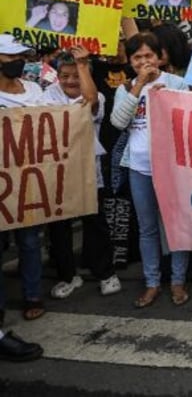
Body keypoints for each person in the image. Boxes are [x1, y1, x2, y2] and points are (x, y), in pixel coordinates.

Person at [110, 33, 191, 308]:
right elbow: (118, 122)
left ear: (160, 57)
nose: (144, 61)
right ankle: (152, 283)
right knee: (147, 228)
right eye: (137, 57)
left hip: (172, 168)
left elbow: (190, 122)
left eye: (149, 56)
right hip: (139, 167)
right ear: (130, 62)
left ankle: (178, 281)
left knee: (175, 225)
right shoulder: (125, 89)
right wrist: (139, 87)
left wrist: (167, 98)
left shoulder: (177, 83)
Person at [44, 48, 122, 299]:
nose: (69, 81)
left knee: (95, 223)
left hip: (88, 169)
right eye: (64, 75)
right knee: (59, 227)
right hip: (56, 172)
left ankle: (105, 273)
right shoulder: (48, 94)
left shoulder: (96, 93)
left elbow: (90, 101)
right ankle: (68, 275)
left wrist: (82, 65)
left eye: (75, 75)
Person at [0, 35, 48, 323]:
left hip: (30, 176)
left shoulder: (32, 89)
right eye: (11, 57)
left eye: (21, 56)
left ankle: (33, 295)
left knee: (29, 241)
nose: (18, 62)